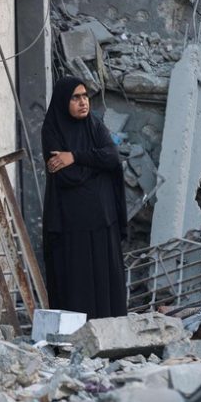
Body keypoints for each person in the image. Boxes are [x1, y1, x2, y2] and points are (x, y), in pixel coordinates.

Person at [41, 76, 128, 319]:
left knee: (106, 280)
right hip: (72, 224)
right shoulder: (52, 130)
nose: (83, 102)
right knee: (78, 283)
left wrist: (75, 157)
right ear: (63, 101)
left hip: (103, 221)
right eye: (75, 98)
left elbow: (113, 157)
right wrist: (97, 166)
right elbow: (67, 177)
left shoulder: (95, 125)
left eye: (85, 96)